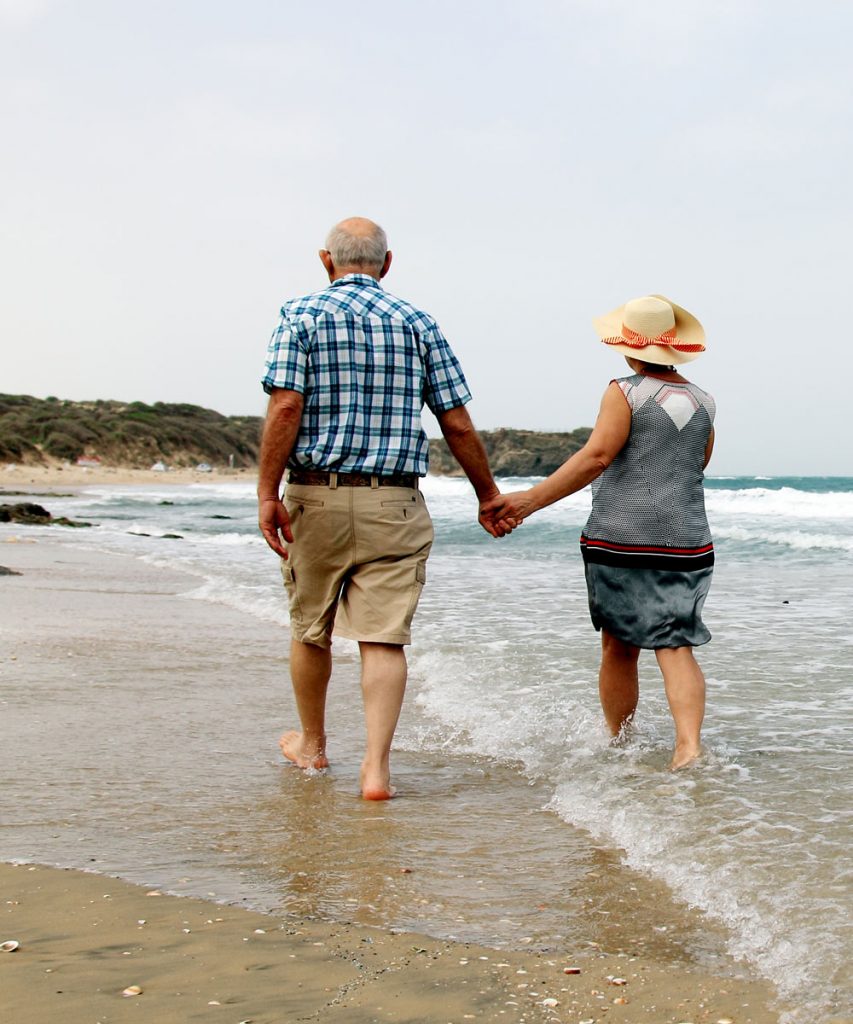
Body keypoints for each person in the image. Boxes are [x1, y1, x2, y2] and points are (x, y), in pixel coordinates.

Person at [257, 216, 503, 800]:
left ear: (326, 261)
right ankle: (375, 770)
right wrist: (487, 495)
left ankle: (313, 749)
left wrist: (268, 492)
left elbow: (286, 408)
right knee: (383, 639)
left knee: (310, 627)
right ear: (386, 264)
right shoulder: (418, 323)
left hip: (314, 494)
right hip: (393, 500)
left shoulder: (301, 315)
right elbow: (455, 420)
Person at [482, 295, 715, 769]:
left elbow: (596, 457)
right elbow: (696, 464)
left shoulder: (624, 391)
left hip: (622, 538)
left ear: (629, 349)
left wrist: (527, 502)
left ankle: (619, 741)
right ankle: (688, 746)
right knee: (675, 643)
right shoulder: (705, 400)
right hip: (689, 541)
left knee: (619, 644)